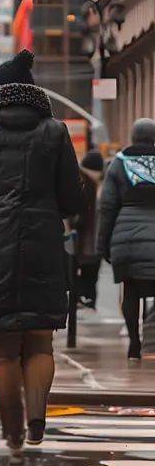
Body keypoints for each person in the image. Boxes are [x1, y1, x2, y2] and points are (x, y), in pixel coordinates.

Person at [0, 49, 83, 458]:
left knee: (5, 346)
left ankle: (11, 428)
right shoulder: (55, 131)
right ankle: (36, 420)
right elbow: (71, 198)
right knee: (41, 340)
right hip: (45, 243)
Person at [97, 117, 155, 361]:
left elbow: (107, 207)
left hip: (126, 239)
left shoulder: (118, 164)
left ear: (132, 136)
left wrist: (103, 245)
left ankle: (134, 342)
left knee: (130, 291)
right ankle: (152, 341)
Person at [75, 150, 105, 309]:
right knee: (86, 270)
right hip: (86, 236)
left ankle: (85, 298)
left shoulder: (96, 183)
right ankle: (83, 298)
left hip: (91, 237)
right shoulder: (86, 182)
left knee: (89, 270)